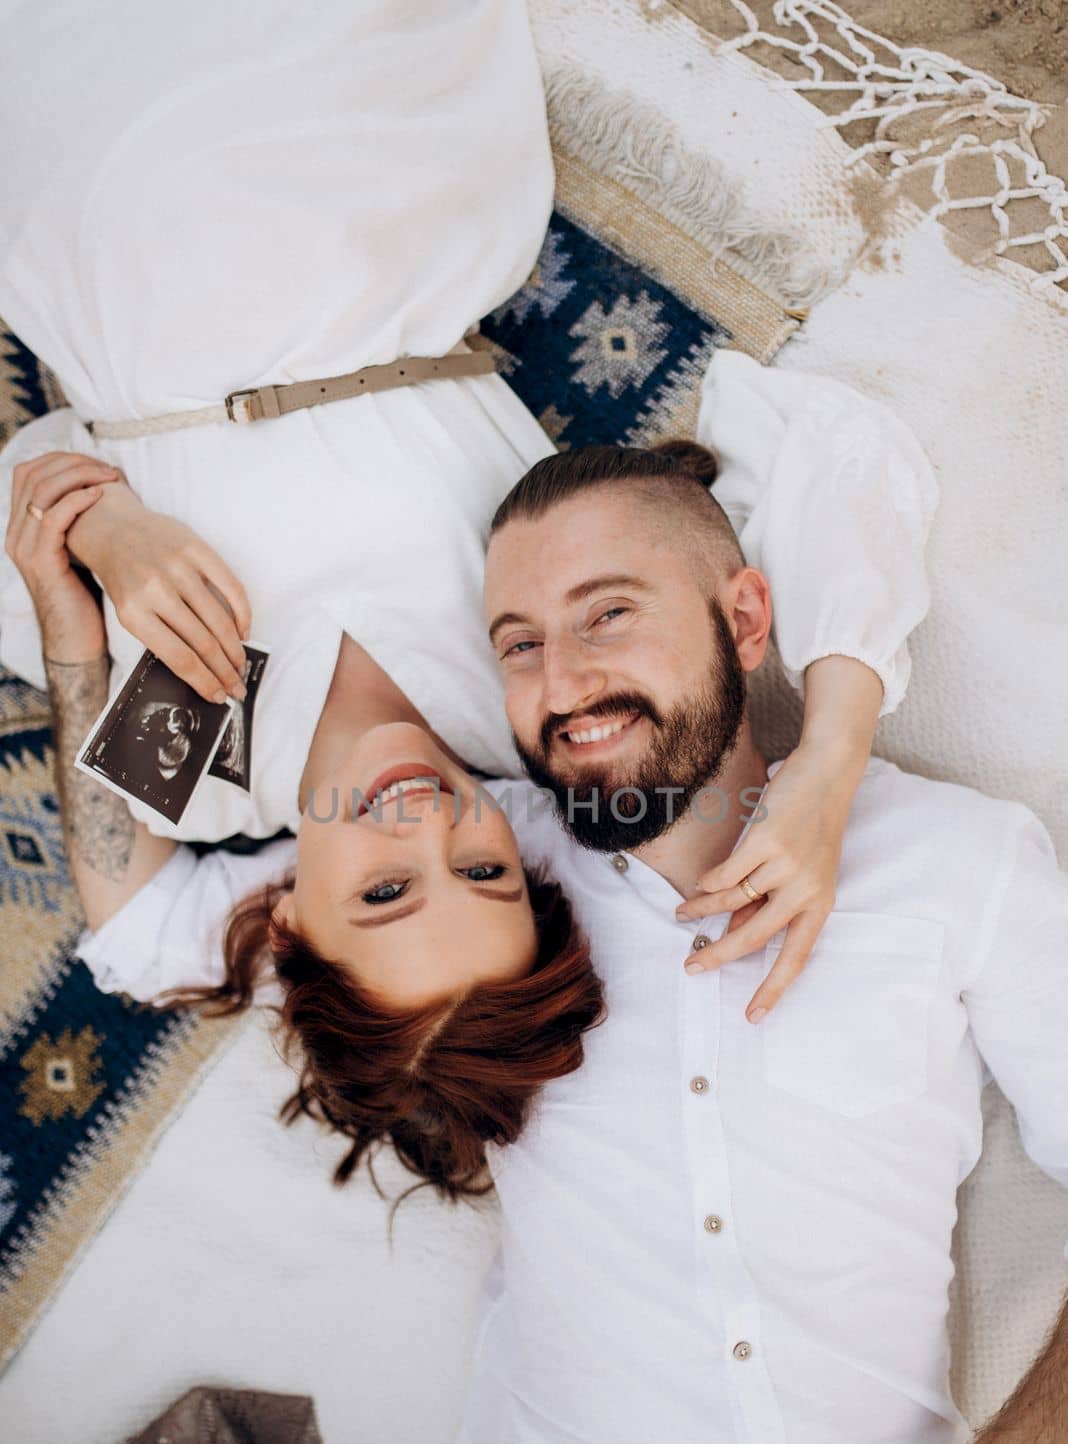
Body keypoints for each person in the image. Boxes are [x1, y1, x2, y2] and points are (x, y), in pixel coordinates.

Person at [0, 6, 935, 1194]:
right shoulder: (550, 706)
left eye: (386, 892)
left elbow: (135, 941)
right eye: (487, 873)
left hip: (90, 216)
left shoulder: (202, 767)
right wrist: (832, 760)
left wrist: (99, 539)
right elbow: (839, 460)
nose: (428, 826)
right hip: (344, 155)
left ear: (288, 925)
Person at [421, 427, 1066, 1444]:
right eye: (518, 644)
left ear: (749, 618)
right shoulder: (465, 869)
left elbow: (826, 437)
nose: (559, 684)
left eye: (605, 613)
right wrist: (79, 608)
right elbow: (151, 917)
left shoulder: (955, 861)